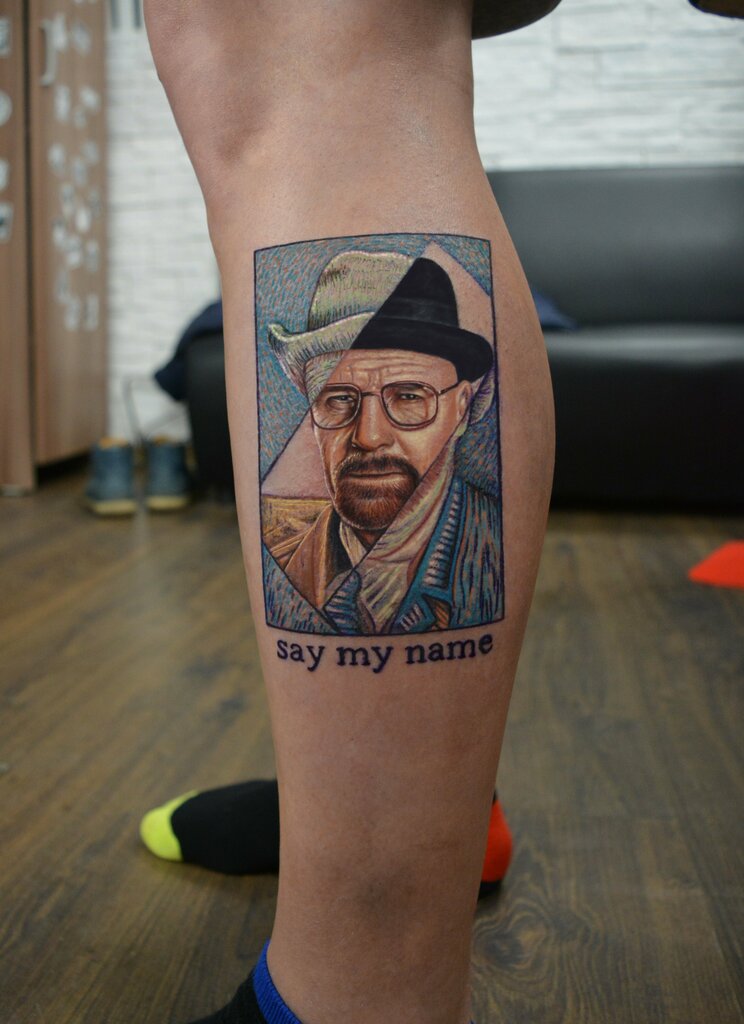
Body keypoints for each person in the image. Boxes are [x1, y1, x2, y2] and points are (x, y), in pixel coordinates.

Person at [142, 2, 557, 1022]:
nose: (367, 436)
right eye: (334, 402)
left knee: (303, 46)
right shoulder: (310, 544)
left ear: (468, 407)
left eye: (408, 396)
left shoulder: (468, 550)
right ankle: (417, 815)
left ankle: (365, 975)